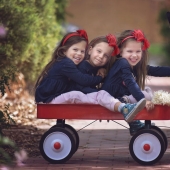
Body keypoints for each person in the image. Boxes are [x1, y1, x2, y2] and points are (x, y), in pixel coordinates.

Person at [35, 30, 146, 123]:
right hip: (48, 100)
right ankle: (123, 107)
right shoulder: (66, 64)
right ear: (64, 51)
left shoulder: (75, 64)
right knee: (79, 94)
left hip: (52, 97)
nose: (79, 54)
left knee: (95, 95)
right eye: (75, 50)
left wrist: (103, 70)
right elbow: (83, 80)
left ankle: (122, 104)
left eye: (82, 51)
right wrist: (100, 79)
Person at [102, 29, 170, 135]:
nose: (134, 55)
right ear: (120, 51)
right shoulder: (122, 63)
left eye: (138, 51)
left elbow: (156, 70)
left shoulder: (135, 66)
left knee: (146, 93)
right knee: (143, 95)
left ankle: (134, 124)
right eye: (130, 51)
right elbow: (130, 83)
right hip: (111, 97)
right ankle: (132, 117)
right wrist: (142, 100)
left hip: (121, 95)